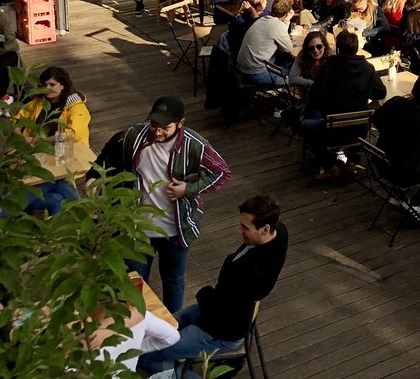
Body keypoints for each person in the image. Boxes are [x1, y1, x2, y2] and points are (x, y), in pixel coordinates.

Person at [138, 195, 288, 377]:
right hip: (219, 310)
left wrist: (204, 293)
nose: (239, 230)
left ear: (265, 229)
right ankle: (175, 359)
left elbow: (218, 310)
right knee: (163, 328)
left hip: (220, 329)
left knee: (145, 355)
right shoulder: (279, 232)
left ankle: (177, 370)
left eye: (245, 227)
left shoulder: (255, 275)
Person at [111, 96, 231, 314]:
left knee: (173, 281)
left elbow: (222, 172)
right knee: (135, 281)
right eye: (154, 125)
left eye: (165, 128)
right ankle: (136, 324)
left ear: (181, 123)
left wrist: (189, 188)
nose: (157, 132)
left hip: (175, 230)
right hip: (138, 227)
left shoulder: (195, 145)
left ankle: (172, 325)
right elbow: (112, 156)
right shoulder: (135, 136)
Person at [305, 31, 387, 179]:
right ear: (356, 49)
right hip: (359, 128)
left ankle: (330, 165)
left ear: (338, 49)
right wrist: (365, 93)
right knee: (359, 120)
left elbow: (315, 98)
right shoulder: (367, 68)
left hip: (332, 129)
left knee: (304, 126)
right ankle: (353, 161)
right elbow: (381, 93)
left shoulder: (329, 67)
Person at [19, 66, 91, 216]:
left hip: (65, 151)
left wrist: (43, 140)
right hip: (38, 149)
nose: (47, 88)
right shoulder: (39, 101)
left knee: (55, 179)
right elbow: (17, 119)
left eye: (52, 85)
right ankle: (79, 212)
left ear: (63, 85)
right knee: (56, 189)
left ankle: (10, 208)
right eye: (45, 85)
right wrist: (23, 137)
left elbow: (73, 134)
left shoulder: (76, 106)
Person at [372, 72, 420, 203]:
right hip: (407, 172)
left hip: (383, 161)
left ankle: (400, 193)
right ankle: (415, 202)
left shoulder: (395, 102)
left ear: (413, 90)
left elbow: (375, 118)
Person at [238, 0, 308, 86]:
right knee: (299, 73)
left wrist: (286, 21)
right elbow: (288, 48)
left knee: (285, 60)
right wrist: (287, 21)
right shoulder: (277, 25)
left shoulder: (264, 19)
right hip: (254, 73)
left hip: (244, 67)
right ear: (288, 13)